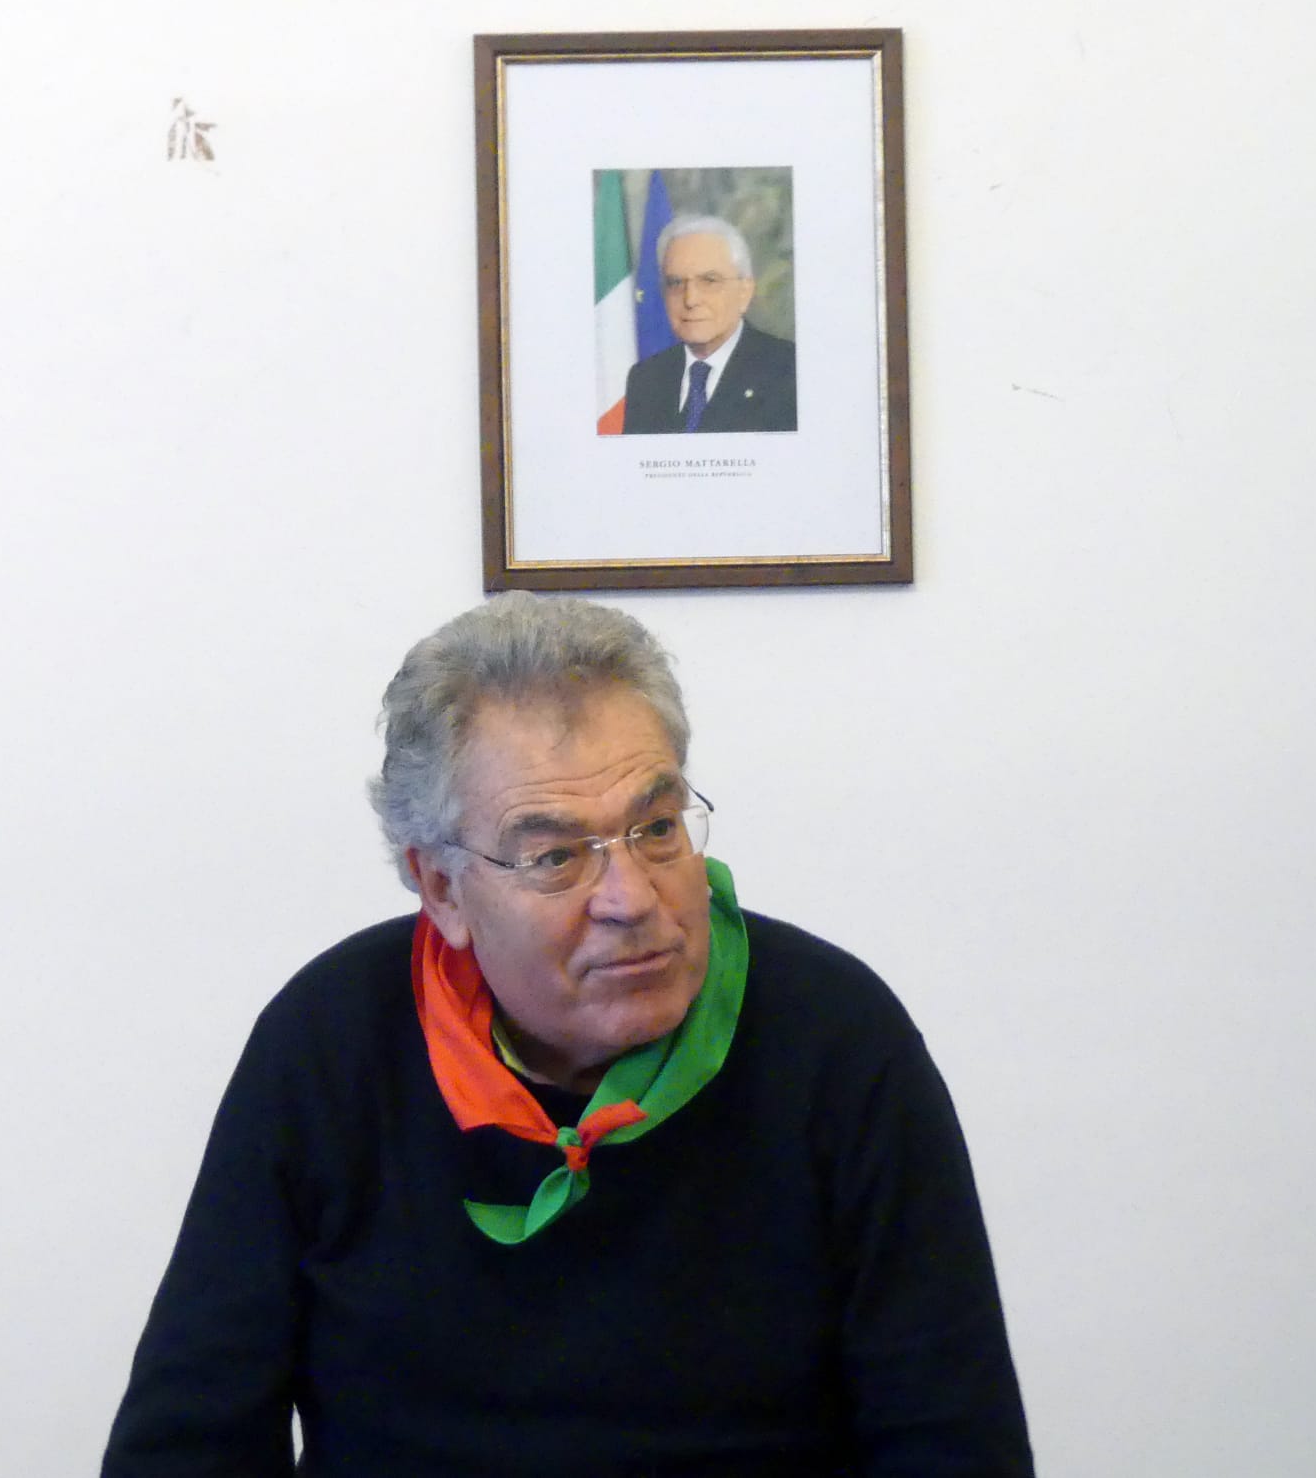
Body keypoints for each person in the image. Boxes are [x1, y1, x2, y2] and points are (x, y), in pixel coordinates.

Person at [102, 593, 1031, 1476]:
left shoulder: (838, 1040)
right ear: (441, 887)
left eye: (656, 828)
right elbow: (190, 1442)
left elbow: (955, 1443)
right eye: (555, 855)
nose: (632, 899)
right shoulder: (330, 1044)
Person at [623, 213, 798, 434]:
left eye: (709, 281)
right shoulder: (646, 379)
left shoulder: (790, 371)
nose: (690, 299)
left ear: (744, 292)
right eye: (676, 282)